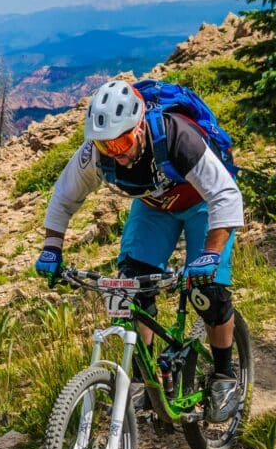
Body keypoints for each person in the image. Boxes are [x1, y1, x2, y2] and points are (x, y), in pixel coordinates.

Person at [34, 79, 244, 423]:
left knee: (208, 292)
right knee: (131, 287)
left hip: (203, 204)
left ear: (140, 125)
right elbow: (63, 197)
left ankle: (224, 376)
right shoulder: (94, 153)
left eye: (122, 140)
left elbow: (225, 194)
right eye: (106, 145)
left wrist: (210, 255)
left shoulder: (176, 136)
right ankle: (150, 384)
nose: (115, 151)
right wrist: (51, 249)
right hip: (154, 207)